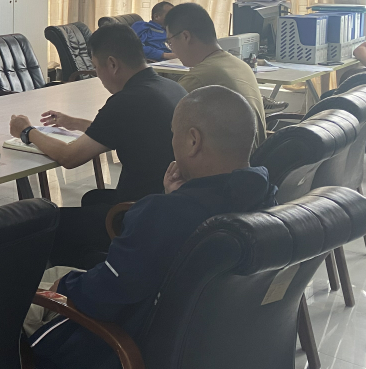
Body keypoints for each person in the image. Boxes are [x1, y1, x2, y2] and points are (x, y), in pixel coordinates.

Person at [24, 86, 277, 369]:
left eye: (174, 134)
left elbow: (106, 294)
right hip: (211, 343)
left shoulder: (163, 215)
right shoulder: (267, 200)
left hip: (119, 347)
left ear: (193, 141)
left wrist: (65, 287)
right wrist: (176, 198)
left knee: (26, 294)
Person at [9, 23, 186, 269]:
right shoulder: (171, 87)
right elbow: (128, 131)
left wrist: (27, 131)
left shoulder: (126, 100)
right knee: (93, 198)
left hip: (136, 214)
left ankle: (62, 282)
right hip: (168, 207)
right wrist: (75, 123)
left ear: (112, 64)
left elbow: (69, 157)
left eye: (96, 67)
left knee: (43, 223)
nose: (97, 75)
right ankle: (95, 263)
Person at [163, 2, 267, 146]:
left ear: (186, 36)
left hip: (231, 159)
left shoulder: (199, 78)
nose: (172, 49)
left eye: (170, 42)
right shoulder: (239, 64)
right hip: (257, 157)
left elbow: (164, 124)